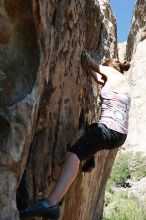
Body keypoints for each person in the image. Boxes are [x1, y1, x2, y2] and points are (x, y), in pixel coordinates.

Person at [19, 53, 131, 219]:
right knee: (92, 132)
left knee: (74, 155)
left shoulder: (111, 73)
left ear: (109, 68)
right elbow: (100, 80)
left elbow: (92, 63)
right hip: (118, 134)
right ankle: (89, 157)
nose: (102, 77)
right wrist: (94, 74)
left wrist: (84, 56)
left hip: (109, 129)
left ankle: (51, 203)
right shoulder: (121, 83)